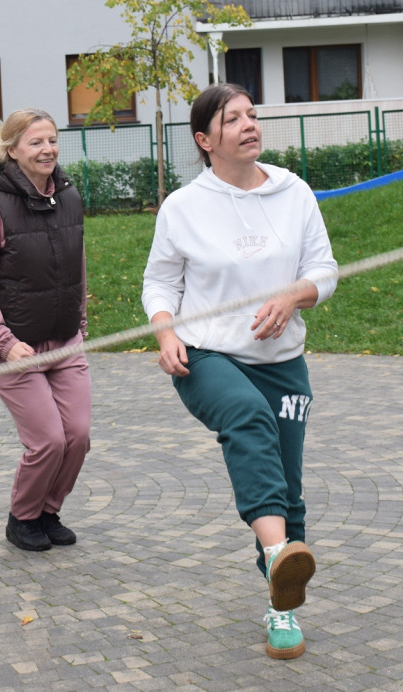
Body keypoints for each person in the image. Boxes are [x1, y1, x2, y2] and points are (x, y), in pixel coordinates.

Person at [141, 83, 338, 660]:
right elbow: (159, 282)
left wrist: (294, 295)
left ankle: (282, 604)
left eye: (252, 115)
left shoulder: (293, 192)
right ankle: (278, 556)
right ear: (205, 140)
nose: (250, 125)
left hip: (283, 364)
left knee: (287, 490)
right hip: (207, 356)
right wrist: (166, 333)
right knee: (248, 418)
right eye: (232, 120)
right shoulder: (183, 207)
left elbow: (324, 269)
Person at [0, 109, 91, 553]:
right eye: (36, 142)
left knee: (77, 437)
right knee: (48, 441)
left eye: (52, 140)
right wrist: (4, 344)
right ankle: (22, 518)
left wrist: (79, 324)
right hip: (15, 349)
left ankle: (47, 511)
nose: (47, 149)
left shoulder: (68, 197)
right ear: (12, 150)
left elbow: (77, 268)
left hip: (64, 342)